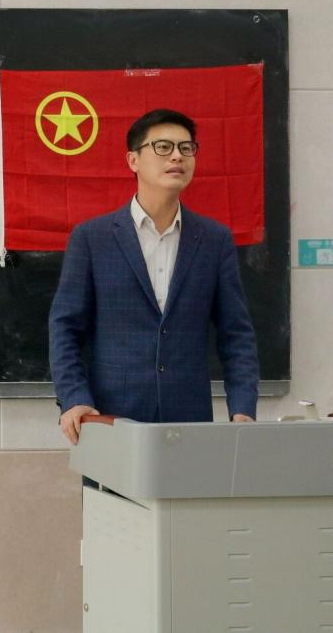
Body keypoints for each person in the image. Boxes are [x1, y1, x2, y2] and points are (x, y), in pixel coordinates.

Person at [49, 108, 259, 445]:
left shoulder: (214, 240)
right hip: (110, 419)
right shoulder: (92, 238)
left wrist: (243, 409)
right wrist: (74, 398)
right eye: (163, 147)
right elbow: (65, 327)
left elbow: (236, 334)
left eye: (186, 148)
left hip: (189, 420)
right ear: (133, 160)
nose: (177, 156)